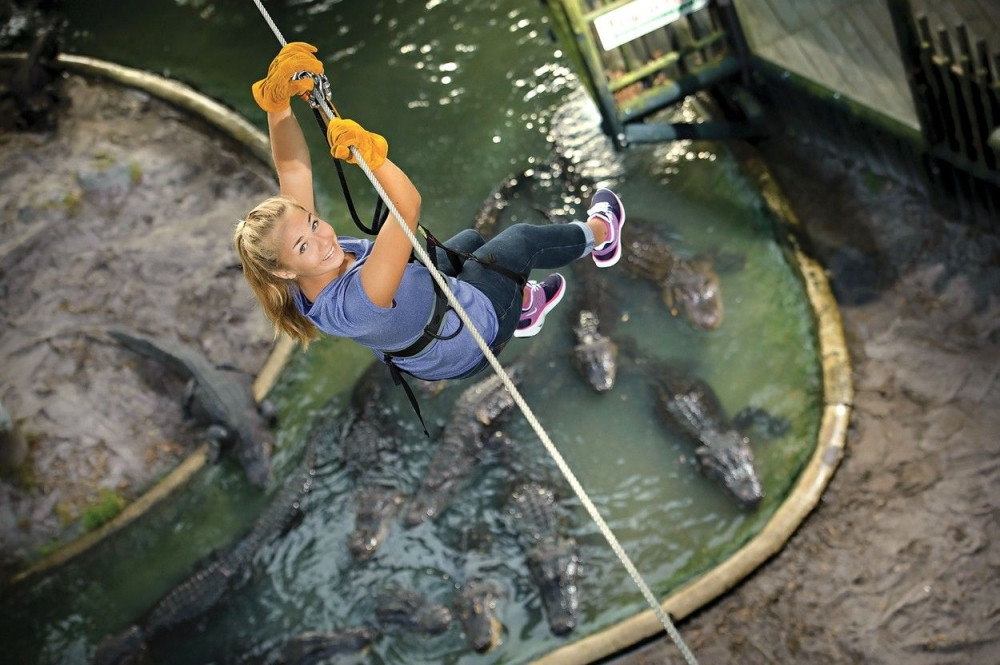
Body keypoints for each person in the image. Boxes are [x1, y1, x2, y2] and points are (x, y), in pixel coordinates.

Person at [234, 42, 625, 383]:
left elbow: (292, 168)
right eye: (304, 246)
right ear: (284, 270)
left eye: (315, 223)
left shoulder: (295, 269)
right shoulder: (356, 302)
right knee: (522, 241)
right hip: (468, 344)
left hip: (426, 321)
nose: (323, 239)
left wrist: (277, 105)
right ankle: (602, 234)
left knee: (471, 242)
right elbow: (407, 206)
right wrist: (374, 156)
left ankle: (521, 306)